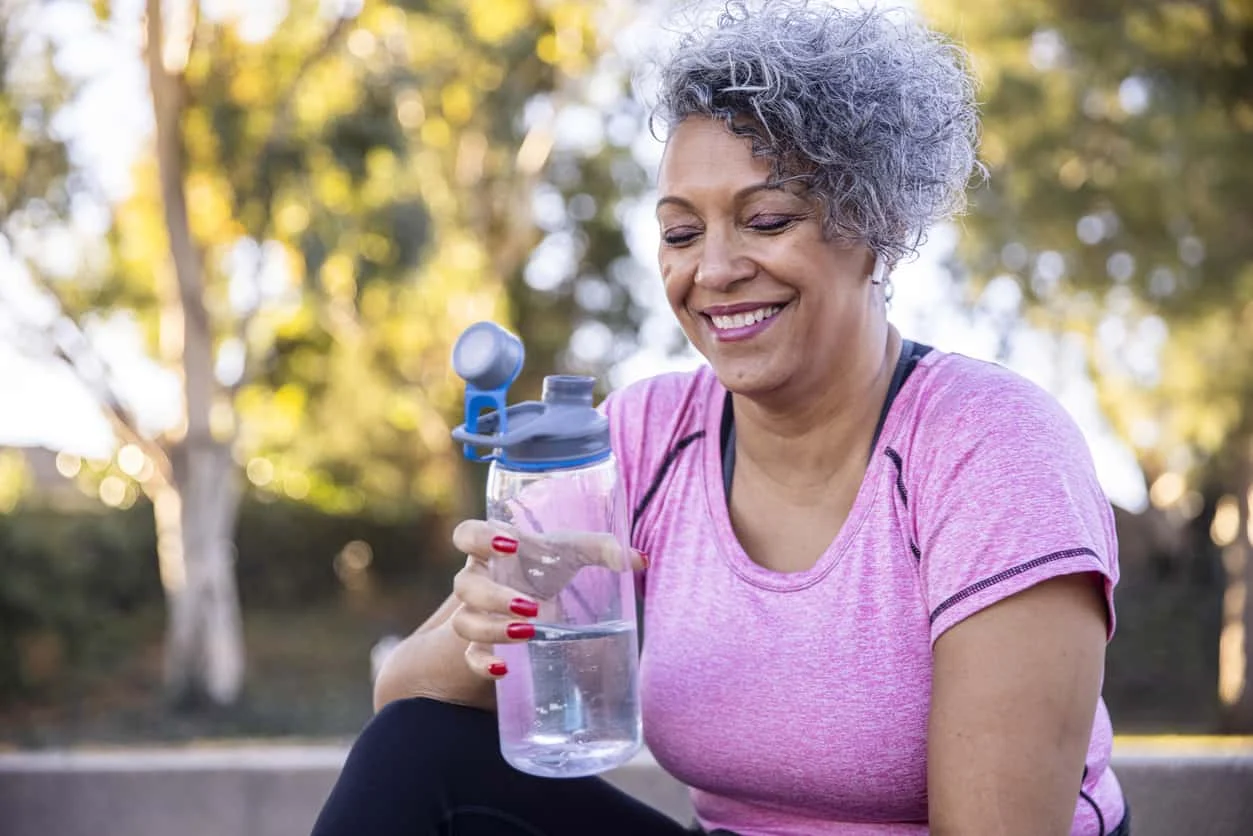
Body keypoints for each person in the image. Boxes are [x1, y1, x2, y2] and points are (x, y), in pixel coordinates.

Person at [312, 1, 1129, 833]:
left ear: (874, 230)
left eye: (766, 220)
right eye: (678, 232)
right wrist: (493, 625)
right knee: (416, 755)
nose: (713, 270)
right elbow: (404, 719)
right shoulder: (642, 435)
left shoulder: (990, 448)